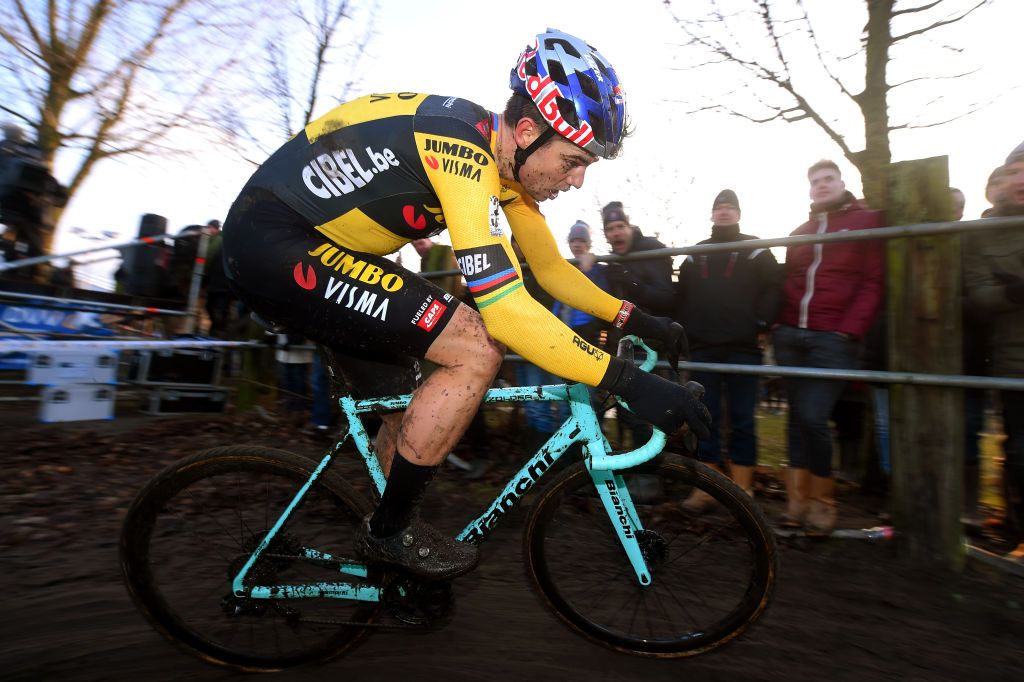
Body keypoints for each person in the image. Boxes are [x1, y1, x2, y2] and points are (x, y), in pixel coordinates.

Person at [221, 29, 711, 581]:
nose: (576, 181)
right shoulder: (461, 153)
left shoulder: (504, 169)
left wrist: (636, 318)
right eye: (573, 161)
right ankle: (390, 535)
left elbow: (549, 271)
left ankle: (387, 563)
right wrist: (630, 383)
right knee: (476, 347)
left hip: (320, 249)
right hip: (275, 243)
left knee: (411, 414)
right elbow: (505, 312)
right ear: (527, 131)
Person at [773, 159, 884, 534]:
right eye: (815, 181)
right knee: (795, 420)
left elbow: (873, 282)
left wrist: (847, 331)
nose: (821, 185)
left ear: (841, 182)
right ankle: (796, 502)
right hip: (791, 335)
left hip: (832, 337)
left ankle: (823, 501)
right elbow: (791, 279)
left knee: (813, 416)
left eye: (827, 179)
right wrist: (778, 324)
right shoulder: (800, 230)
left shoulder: (867, 222)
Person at [675, 189, 781, 508]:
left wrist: (761, 321)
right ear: (711, 214)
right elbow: (682, 295)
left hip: (743, 348)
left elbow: (776, 285)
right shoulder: (695, 253)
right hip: (704, 348)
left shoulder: (756, 249)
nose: (724, 212)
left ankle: (744, 488)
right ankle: (706, 488)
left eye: (729, 208)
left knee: (742, 418)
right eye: (718, 208)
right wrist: (684, 332)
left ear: (738, 214)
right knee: (704, 417)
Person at [964, 141, 1024, 560]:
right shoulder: (982, 234)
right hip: (1015, 357)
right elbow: (978, 296)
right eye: (1017, 170)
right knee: (1019, 449)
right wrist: (1015, 292)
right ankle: (1016, 528)